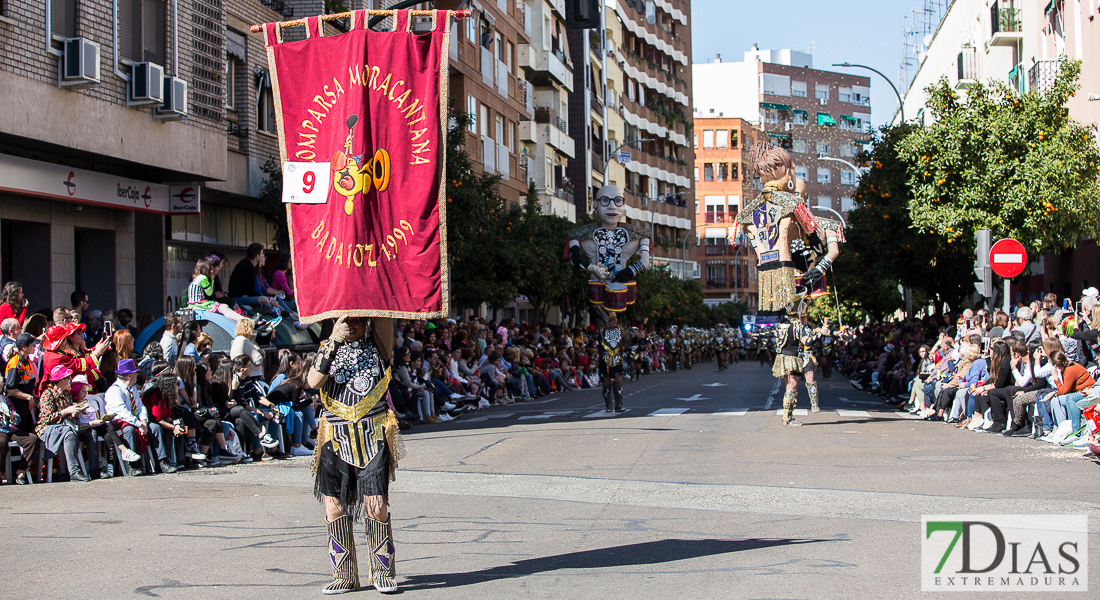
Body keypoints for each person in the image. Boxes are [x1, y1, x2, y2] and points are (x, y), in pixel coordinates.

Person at [306, 316, 399, 594]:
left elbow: (384, 314)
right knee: (334, 507)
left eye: (356, 319)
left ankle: (382, 572)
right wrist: (333, 339)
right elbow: (313, 381)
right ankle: (344, 576)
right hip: (335, 436)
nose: (350, 324)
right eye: (344, 319)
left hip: (372, 432)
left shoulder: (379, 345)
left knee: (376, 505)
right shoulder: (327, 346)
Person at [105, 359, 176, 475]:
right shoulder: (115, 390)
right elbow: (122, 412)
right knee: (129, 429)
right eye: (135, 373)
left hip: (136, 420)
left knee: (155, 427)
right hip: (120, 421)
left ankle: (162, 462)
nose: (137, 375)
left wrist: (143, 420)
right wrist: (139, 424)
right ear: (129, 376)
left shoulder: (132, 388)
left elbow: (140, 406)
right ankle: (131, 466)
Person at [36, 365, 99, 482]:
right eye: (68, 378)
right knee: (69, 433)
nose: (71, 380)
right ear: (61, 380)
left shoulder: (67, 394)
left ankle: (94, 470)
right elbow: (47, 419)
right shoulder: (47, 394)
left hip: (66, 426)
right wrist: (66, 411)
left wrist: (75, 412)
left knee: (91, 432)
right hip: (48, 429)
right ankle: (74, 472)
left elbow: (68, 416)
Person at [37, 322, 109, 396]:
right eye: (64, 338)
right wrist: (97, 352)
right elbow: (80, 364)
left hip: (55, 392)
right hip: (54, 395)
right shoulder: (58, 357)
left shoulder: (53, 352)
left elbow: (81, 358)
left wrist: (98, 348)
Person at [186, 256, 249, 323]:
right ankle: (245, 321)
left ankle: (243, 319)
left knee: (224, 306)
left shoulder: (197, 277)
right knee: (223, 308)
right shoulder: (203, 278)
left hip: (194, 303)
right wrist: (212, 279)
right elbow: (209, 292)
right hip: (199, 304)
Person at [227, 243, 279, 315]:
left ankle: (284, 313)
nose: (263, 256)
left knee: (269, 300)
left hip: (244, 295)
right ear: (257, 256)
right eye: (262, 253)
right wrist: (268, 299)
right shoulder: (248, 267)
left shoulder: (247, 264)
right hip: (239, 298)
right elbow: (251, 291)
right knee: (264, 300)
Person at [597, 314, 627, 413]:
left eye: (614, 319)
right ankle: (608, 405)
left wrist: (636, 338)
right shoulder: (601, 331)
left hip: (617, 358)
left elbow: (628, 341)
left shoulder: (621, 331)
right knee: (606, 380)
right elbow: (598, 343)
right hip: (605, 358)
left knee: (618, 379)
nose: (614, 321)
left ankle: (619, 405)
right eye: (611, 320)